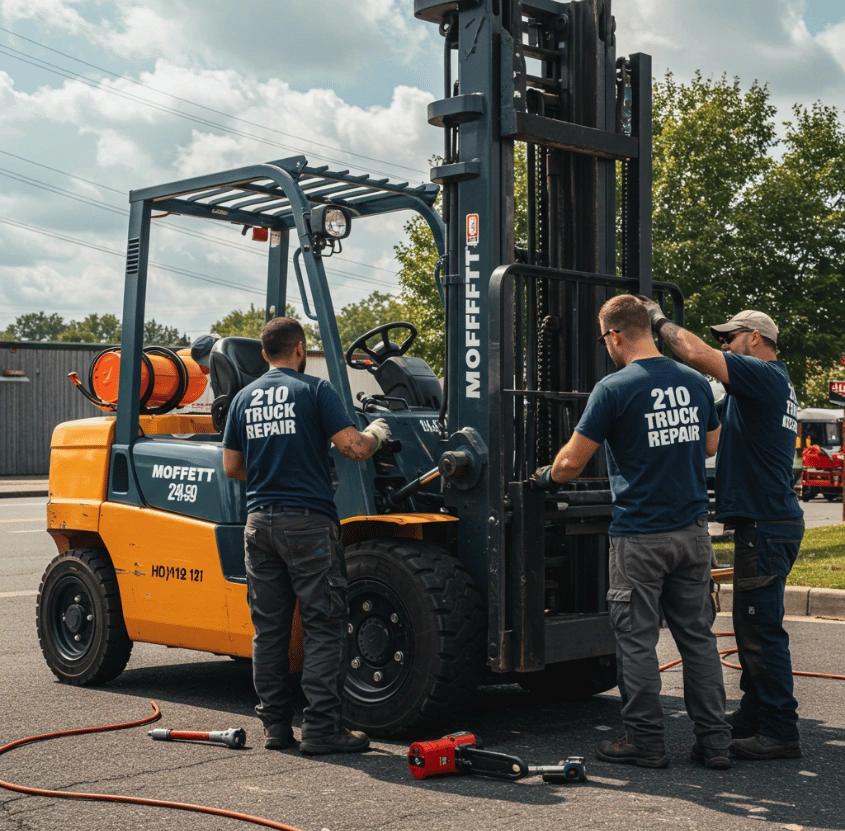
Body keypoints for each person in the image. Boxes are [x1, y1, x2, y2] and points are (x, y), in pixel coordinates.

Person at [533, 294, 731, 769]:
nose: (607, 348)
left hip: (640, 537)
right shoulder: (695, 382)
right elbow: (710, 443)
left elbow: (571, 463)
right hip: (692, 533)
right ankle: (716, 742)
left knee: (637, 641)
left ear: (616, 335)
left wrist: (543, 477)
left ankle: (645, 741)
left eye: (605, 339)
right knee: (698, 639)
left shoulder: (614, 388)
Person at [638, 299, 804, 761]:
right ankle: (756, 714)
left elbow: (693, 355)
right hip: (770, 522)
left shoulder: (765, 376)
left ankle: (780, 730)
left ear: (755, 338)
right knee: (754, 626)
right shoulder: (760, 389)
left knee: (760, 629)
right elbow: (706, 424)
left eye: (729, 338)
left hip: (767, 525)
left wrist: (656, 321)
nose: (723, 345)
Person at [222, 317, 391, 755]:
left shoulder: (243, 398)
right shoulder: (315, 391)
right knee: (323, 626)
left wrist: (270, 470)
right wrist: (376, 432)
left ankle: (276, 728)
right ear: (300, 350)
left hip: (258, 525)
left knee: (270, 630)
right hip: (307, 524)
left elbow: (232, 467)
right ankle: (320, 729)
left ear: (265, 354)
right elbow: (353, 448)